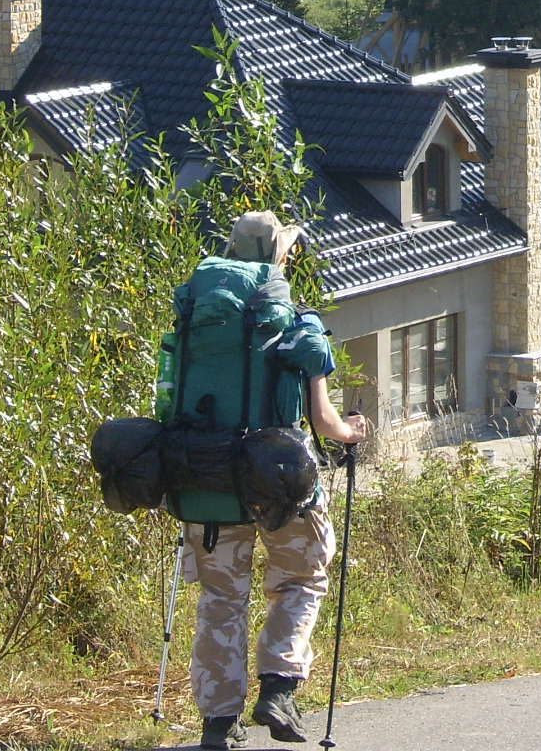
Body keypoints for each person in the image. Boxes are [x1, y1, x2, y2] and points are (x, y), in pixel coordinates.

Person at [176, 211, 369, 750]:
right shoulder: (298, 324)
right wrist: (350, 434)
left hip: (205, 474)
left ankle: (218, 722)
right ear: (281, 256)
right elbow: (326, 424)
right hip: (280, 480)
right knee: (302, 577)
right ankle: (279, 686)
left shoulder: (195, 316)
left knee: (221, 597)